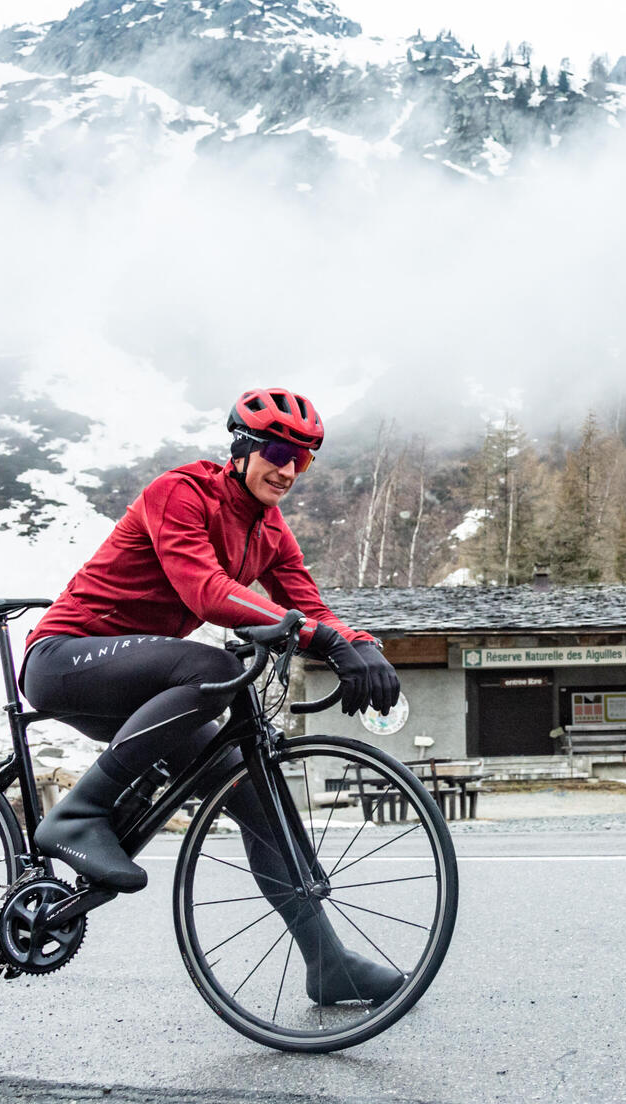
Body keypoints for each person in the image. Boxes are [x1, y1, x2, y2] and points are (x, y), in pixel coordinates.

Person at [23, 386, 403, 1004]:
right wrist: (324, 637)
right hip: (66, 658)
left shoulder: (269, 530)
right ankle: (78, 815)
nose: (287, 469)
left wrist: (358, 646)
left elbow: (306, 605)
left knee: (255, 795)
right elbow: (206, 590)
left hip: (138, 692)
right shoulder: (179, 493)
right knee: (207, 666)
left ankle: (329, 964)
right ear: (244, 448)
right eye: (278, 450)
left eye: (301, 460)